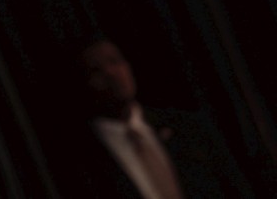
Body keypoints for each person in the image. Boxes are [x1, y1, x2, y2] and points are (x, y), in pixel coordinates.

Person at [58, 35, 256, 198]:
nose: (111, 73)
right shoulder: (81, 159)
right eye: (96, 70)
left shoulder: (186, 129)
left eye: (115, 61)